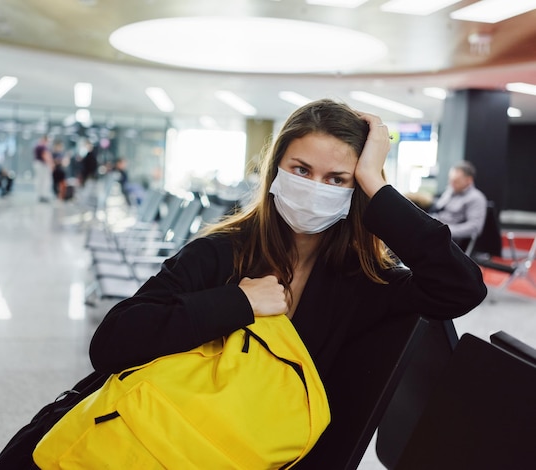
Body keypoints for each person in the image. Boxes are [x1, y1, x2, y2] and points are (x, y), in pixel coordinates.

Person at [87, 99, 487, 465]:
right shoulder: (221, 253)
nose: (315, 187)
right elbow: (112, 342)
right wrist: (236, 303)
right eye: (301, 170)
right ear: (276, 169)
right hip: (177, 444)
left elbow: (461, 287)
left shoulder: (362, 280)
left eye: (337, 179)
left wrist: (377, 184)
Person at [429, 160, 487, 250]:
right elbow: (438, 208)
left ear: (468, 180)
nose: (451, 184)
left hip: (451, 241)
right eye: (450, 180)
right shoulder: (451, 191)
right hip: (437, 231)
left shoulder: (476, 198)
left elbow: (474, 228)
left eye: (456, 181)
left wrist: (445, 230)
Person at [33, 135, 54, 203]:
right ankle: (44, 195)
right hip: (42, 165)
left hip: (38, 164)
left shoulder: (37, 146)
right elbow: (45, 156)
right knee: (45, 180)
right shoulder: (43, 146)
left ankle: (41, 195)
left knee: (40, 180)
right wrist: (51, 164)